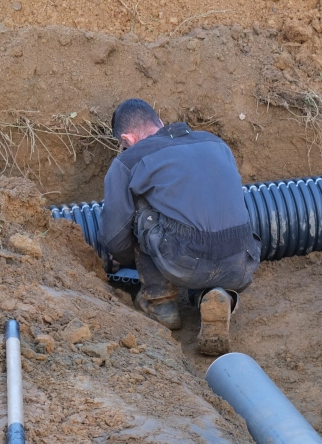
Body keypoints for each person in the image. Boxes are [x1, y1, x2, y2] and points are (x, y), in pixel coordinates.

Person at [97, 98, 261, 355]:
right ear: (160, 123)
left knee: (138, 205)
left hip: (183, 261)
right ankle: (218, 296)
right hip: (242, 260)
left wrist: (123, 260)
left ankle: (159, 301)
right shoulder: (214, 143)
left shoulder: (131, 159)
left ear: (127, 140)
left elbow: (115, 235)